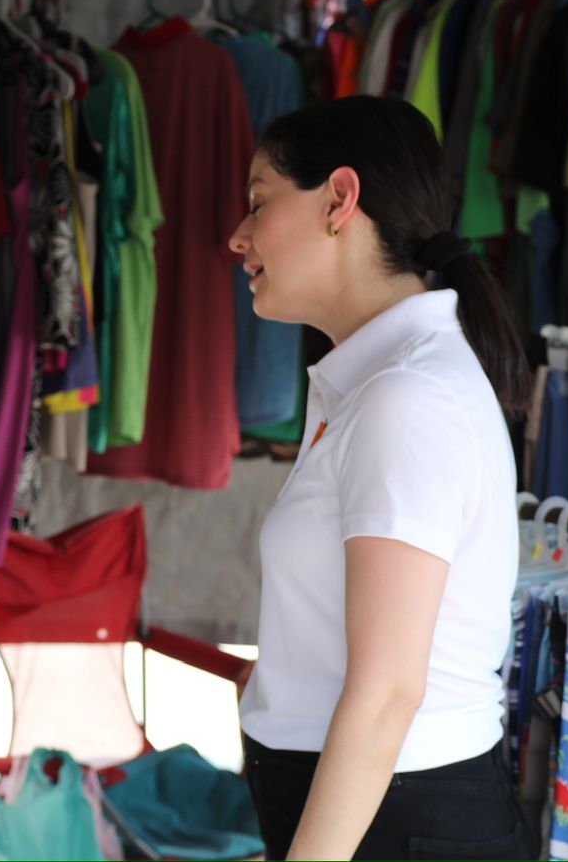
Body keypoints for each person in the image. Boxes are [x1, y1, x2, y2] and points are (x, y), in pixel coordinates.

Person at [227, 97, 534, 860]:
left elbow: (389, 691)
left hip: (396, 819)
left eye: (259, 204)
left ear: (340, 199)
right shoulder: (376, 384)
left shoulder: (407, 398)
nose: (238, 238)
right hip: (379, 810)